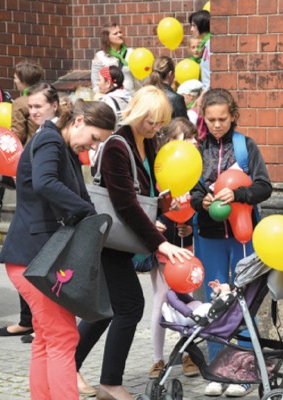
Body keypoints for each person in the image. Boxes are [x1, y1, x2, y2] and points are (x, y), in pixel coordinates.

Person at [74, 85, 193, 400]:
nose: (155, 128)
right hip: (109, 240)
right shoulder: (117, 145)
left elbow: (148, 194)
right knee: (129, 306)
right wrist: (159, 243)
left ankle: (67, 366)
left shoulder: (149, 143)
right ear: (137, 113)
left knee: (107, 309)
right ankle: (110, 384)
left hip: (122, 239)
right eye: (150, 121)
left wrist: (168, 204)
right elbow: (124, 203)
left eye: (159, 123)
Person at [0, 89, 117, 399]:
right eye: (93, 138)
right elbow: (46, 182)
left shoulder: (61, 145)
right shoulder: (50, 139)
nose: (92, 147)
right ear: (79, 120)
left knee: (48, 338)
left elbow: (81, 196)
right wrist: (88, 214)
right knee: (63, 337)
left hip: (36, 257)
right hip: (36, 258)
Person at [190, 88, 272, 397]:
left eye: (222, 119)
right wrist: (203, 200)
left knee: (243, 302)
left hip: (244, 236)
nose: (216, 125)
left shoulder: (246, 147)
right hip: (209, 236)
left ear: (233, 116)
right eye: (210, 119)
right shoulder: (197, 150)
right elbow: (191, 192)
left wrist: (237, 195)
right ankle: (217, 370)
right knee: (214, 304)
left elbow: (265, 187)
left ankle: (245, 371)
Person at [0, 78, 53, 342]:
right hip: (32, 219)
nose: (33, 112)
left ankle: (36, 324)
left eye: (39, 106)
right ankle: (33, 323)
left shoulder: (49, 138)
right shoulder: (40, 137)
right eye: (30, 107)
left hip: (40, 219)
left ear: (55, 105)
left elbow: (48, 182)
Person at [148, 118, 199, 380]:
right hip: (163, 246)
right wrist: (154, 221)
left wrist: (190, 228)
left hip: (187, 245)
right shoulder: (156, 172)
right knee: (161, 298)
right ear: (169, 142)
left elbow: (197, 206)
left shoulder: (195, 170)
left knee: (187, 299)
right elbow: (146, 205)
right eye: (185, 137)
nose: (192, 142)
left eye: (193, 137)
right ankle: (157, 359)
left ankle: (189, 352)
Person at [91, 23, 137, 97]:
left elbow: (140, 78)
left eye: (120, 32)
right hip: (110, 100)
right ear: (107, 38)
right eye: (115, 34)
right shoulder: (99, 56)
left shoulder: (131, 53)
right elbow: (95, 83)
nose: (119, 35)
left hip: (130, 98)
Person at [11, 60, 44, 144]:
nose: (14, 81)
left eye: (15, 78)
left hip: (31, 150)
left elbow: (18, 134)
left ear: (23, 81)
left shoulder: (20, 103)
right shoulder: (48, 98)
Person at [189, 10, 211, 90]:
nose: (191, 29)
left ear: (202, 25)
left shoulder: (209, 44)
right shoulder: (206, 44)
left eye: (194, 26)